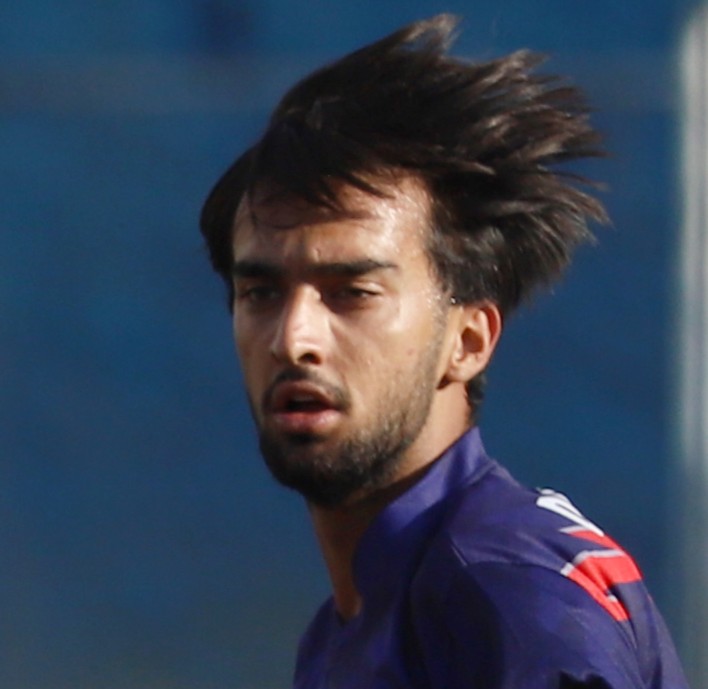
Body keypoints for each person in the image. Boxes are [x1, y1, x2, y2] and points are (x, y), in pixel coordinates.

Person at [199, 14, 688, 689]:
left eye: (352, 293)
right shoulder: (366, 617)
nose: (293, 338)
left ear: (468, 341)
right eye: (260, 293)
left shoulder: (506, 598)